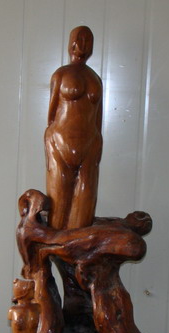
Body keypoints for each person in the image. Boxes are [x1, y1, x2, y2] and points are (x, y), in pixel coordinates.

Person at [45, 26, 103, 230]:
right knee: (59, 199)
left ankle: (79, 245)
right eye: (80, 39)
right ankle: (55, 244)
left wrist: (97, 142)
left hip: (90, 143)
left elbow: (98, 116)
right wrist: (52, 142)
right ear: (71, 43)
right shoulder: (60, 74)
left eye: (88, 40)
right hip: (60, 141)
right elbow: (51, 114)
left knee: (86, 200)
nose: (83, 45)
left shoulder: (96, 79)